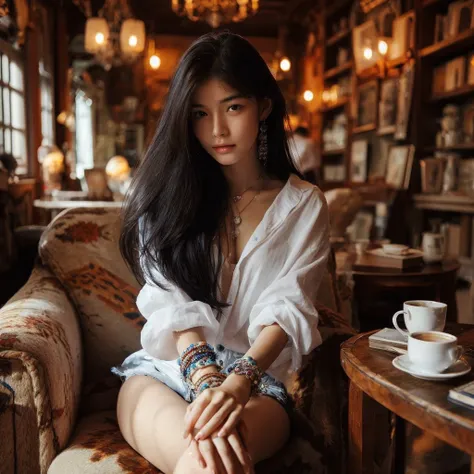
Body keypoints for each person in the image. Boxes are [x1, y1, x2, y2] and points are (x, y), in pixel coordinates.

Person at [114, 31, 330, 474]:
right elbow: (173, 304)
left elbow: (288, 307)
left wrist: (235, 386)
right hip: (164, 375)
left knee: (213, 464)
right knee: (205, 460)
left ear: (263, 106)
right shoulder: (167, 199)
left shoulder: (304, 205)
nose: (217, 130)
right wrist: (207, 380)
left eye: (233, 107)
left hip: (256, 387)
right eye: (199, 113)